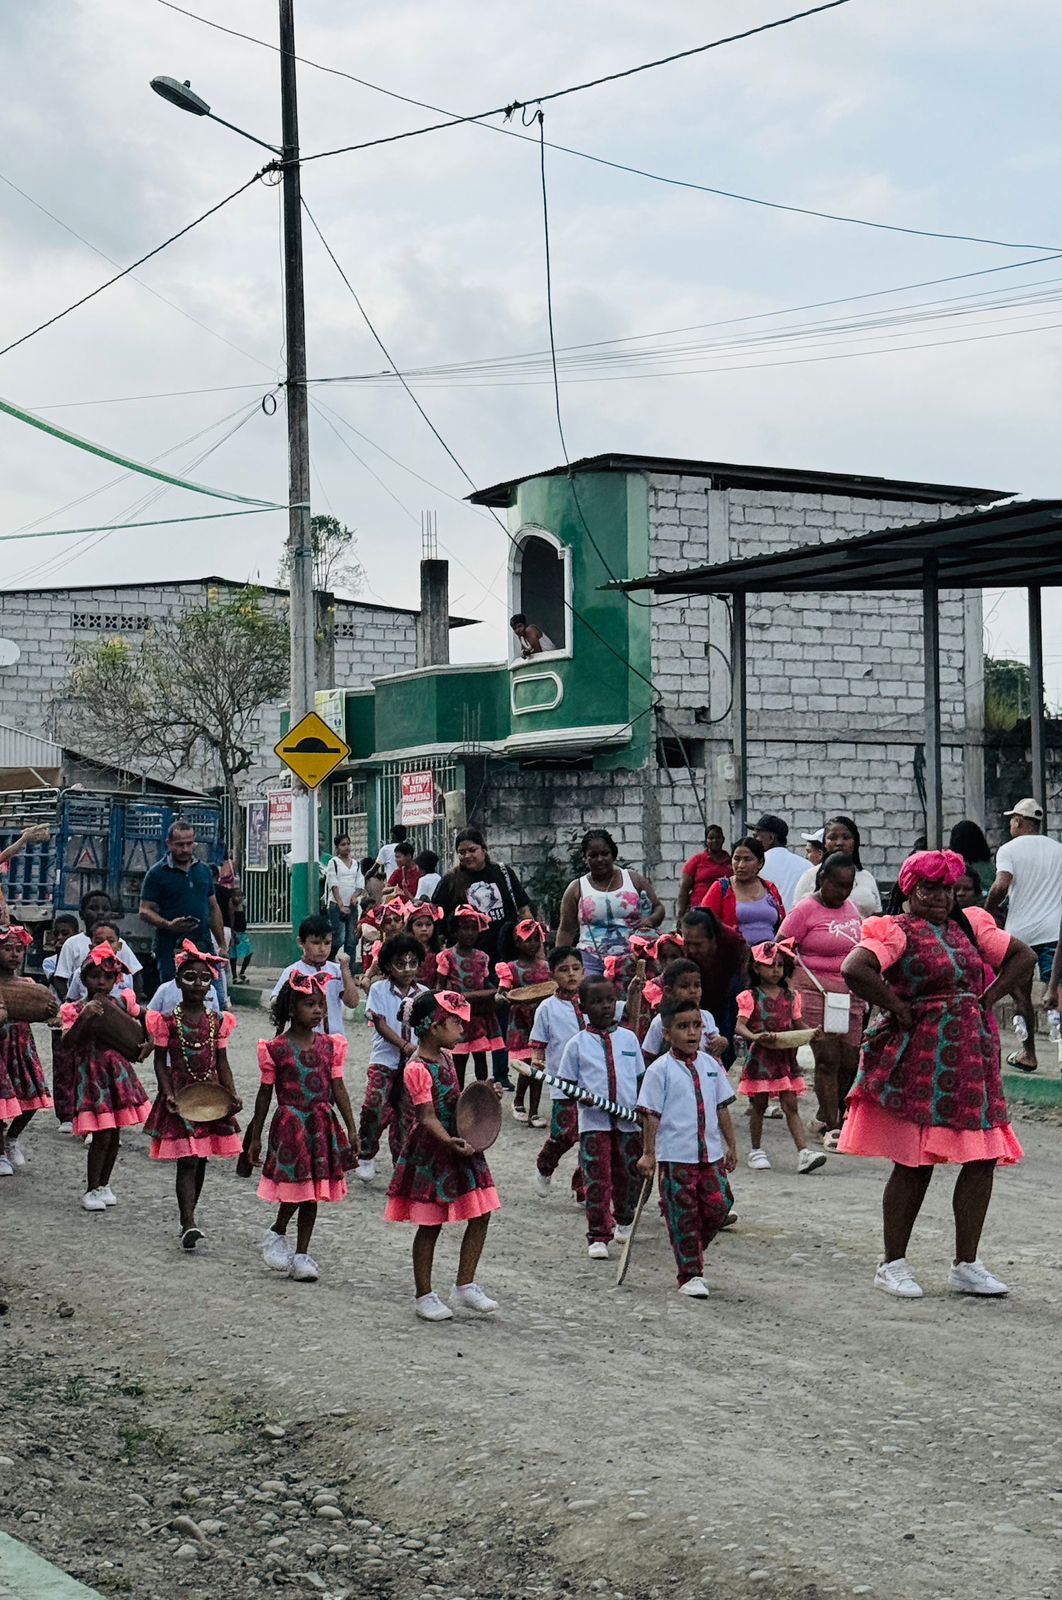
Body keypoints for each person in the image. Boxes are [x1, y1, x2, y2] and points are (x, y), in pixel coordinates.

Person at [839, 849, 1033, 1299]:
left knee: (982, 1157)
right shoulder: (893, 930)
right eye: (930, 889)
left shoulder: (970, 925)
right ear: (909, 891)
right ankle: (892, 1263)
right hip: (921, 1058)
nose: (942, 897)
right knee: (914, 1160)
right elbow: (855, 968)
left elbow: (1021, 957)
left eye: (947, 888)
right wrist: (897, 1006)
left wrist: (989, 997)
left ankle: (967, 1264)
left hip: (972, 1056)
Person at [385, 989, 502, 1323]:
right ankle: (424, 1294)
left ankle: (465, 1283)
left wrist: (485, 1093)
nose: (462, 1029)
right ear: (434, 1027)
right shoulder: (417, 1068)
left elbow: (457, 1099)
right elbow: (426, 1116)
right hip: (434, 1150)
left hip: (460, 1144)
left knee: (482, 1212)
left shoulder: (447, 1059)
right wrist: (449, 1141)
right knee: (430, 1223)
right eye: (455, 1023)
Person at [248, 972, 358, 1284]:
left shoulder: (330, 1046)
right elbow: (264, 1094)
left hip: (320, 1125)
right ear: (291, 1009)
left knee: (313, 1192)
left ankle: (302, 1254)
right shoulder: (275, 1048)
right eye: (310, 1004)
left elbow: (338, 1088)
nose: (318, 1010)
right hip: (291, 1127)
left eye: (321, 1004)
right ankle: (278, 1230)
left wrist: (351, 1128)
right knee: (295, 1188)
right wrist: (255, 1136)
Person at [637, 996, 738, 1298]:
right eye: (683, 1027)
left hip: (710, 1154)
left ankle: (690, 1247)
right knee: (684, 1214)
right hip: (676, 1156)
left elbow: (722, 1107)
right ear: (667, 1033)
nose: (692, 1033)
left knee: (720, 1205)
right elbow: (651, 1114)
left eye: (696, 1025)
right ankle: (690, 1274)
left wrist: (731, 1145)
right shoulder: (659, 1070)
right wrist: (649, 1153)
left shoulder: (711, 1065)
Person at [144, 944, 241, 1250]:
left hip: (210, 1095)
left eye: (204, 978)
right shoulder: (167, 1022)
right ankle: (188, 1221)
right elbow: (160, 1062)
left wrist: (231, 1094)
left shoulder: (218, 1021)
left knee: (200, 1159)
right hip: (181, 1095)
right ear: (177, 981)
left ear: (211, 983)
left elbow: (222, 1062)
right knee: (187, 1160)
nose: (198, 984)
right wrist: (168, 1093)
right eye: (190, 977)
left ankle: (190, 1214)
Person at [779, 853, 866, 1150]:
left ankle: (826, 1113)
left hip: (849, 995)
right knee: (828, 1058)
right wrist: (785, 988)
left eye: (848, 886)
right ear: (823, 880)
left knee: (850, 1060)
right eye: (838, 884)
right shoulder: (805, 910)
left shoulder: (852, 909)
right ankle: (833, 1125)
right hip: (815, 991)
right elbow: (782, 946)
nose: (843, 892)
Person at [558, 976, 644, 1261]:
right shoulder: (576, 1045)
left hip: (628, 1123)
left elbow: (640, 1079)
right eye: (596, 1002)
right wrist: (580, 1097)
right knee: (597, 1178)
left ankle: (624, 1221)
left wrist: (643, 1111)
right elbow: (566, 1085)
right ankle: (598, 1234)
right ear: (583, 1008)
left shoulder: (629, 1039)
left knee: (629, 1174)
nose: (605, 1006)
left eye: (609, 1000)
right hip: (594, 1124)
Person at [59, 944, 148, 1211]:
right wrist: (84, 1018)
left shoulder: (121, 1003)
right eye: (95, 976)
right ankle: (91, 1188)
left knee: (114, 1133)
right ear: (84, 978)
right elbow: (67, 1043)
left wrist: (149, 1044)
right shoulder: (75, 1009)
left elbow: (150, 1019)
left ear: (116, 980)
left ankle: (104, 1185)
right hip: (92, 1076)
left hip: (117, 1075)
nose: (101, 982)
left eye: (108, 977)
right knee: (102, 1135)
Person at [735, 940, 826, 1175]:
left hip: (784, 1058)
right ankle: (756, 1150)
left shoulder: (791, 996)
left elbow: (798, 1023)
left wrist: (811, 1032)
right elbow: (740, 1026)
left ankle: (803, 1152)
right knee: (759, 1105)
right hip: (761, 1058)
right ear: (756, 968)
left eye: (779, 965)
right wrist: (755, 1037)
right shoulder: (750, 996)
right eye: (770, 965)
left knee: (790, 1104)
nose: (775, 970)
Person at [985, 798, 1062, 1072]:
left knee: (1020, 993)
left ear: (1018, 821)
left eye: (1012, 820)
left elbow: (1000, 885)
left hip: (1020, 933)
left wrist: (988, 911)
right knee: (1058, 991)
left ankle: (1028, 1053)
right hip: (1054, 930)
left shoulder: (1009, 849)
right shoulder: (1058, 849)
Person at [356, 934, 428, 1183]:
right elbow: (379, 1023)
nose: (407, 969)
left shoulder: (424, 993)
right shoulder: (378, 990)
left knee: (407, 1114)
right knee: (375, 1106)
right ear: (388, 965)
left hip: (414, 1064)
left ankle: (402, 1161)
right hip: (384, 1060)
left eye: (413, 963)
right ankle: (366, 1152)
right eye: (400, 964)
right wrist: (403, 1045)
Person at [556, 828, 665, 979]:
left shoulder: (633, 880)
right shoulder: (577, 888)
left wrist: (650, 920)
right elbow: (566, 929)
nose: (599, 859)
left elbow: (658, 908)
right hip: (591, 962)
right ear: (585, 858)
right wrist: (559, 963)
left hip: (633, 960)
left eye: (604, 853)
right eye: (593, 855)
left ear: (613, 854)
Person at [531, 946, 589, 1201]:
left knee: (591, 1138)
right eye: (564, 970)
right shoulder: (547, 1008)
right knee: (564, 1134)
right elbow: (539, 1043)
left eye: (576, 968)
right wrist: (537, 1061)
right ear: (552, 974)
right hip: (563, 1082)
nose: (571, 974)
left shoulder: (594, 1000)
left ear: (584, 971)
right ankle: (544, 1167)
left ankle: (584, 1189)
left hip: (593, 1082)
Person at [0, 926, 58, 1175]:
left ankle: (11, 1138)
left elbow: (45, 1012)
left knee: (31, 1099)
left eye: (19, 949)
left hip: (20, 1047)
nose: (14, 954)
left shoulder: (30, 986)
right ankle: (0, 1154)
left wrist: (51, 1012)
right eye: (7, 948)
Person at [432, 828, 533, 971]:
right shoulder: (450, 881)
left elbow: (524, 910)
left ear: (484, 849)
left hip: (506, 956)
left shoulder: (503, 873)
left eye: (472, 850)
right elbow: (436, 917)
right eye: (462, 852)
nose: (467, 856)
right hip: (466, 962)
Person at [139, 821, 226, 983]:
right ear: (169, 843)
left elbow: (213, 908)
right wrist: (168, 924)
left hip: (203, 946)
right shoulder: (157, 873)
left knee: (214, 992)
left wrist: (222, 945)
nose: (185, 849)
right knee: (174, 991)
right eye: (179, 845)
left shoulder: (204, 871)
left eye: (189, 843)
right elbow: (144, 910)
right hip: (170, 948)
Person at [435, 906, 504, 1088]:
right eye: (465, 928)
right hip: (457, 1016)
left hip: (478, 1014)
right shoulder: (447, 956)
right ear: (455, 931)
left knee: (480, 1057)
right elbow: (439, 986)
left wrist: (499, 991)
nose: (470, 933)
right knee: (459, 1058)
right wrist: (440, 1010)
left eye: (474, 928)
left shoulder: (482, 957)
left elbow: (486, 983)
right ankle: (458, 1096)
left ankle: (481, 1093)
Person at [495, 920, 551, 1126]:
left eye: (536, 939)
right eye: (527, 940)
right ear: (517, 943)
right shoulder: (510, 968)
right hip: (520, 1023)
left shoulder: (546, 967)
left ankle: (534, 1112)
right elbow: (500, 993)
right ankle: (519, 1100)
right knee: (526, 1065)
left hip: (541, 1022)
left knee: (538, 1066)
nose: (533, 944)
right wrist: (504, 997)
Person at [272, 914, 360, 1036]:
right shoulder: (293, 971)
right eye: (316, 943)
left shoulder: (336, 971)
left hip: (334, 1038)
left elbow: (352, 1003)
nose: (322, 949)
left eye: (327, 943)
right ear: (301, 942)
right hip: (304, 1039)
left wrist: (345, 970)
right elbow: (275, 1002)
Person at [679, 908, 748, 1054]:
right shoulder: (684, 952)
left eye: (698, 944)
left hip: (729, 995)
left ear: (713, 939)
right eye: (687, 943)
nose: (692, 950)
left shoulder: (732, 943)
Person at [53, 892, 141, 1003]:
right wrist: (70, 1006)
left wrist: (134, 1004)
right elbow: (60, 978)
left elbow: (136, 974)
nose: (100, 913)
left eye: (106, 909)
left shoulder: (119, 943)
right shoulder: (72, 944)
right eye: (93, 908)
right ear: (81, 914)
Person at [640, 959, 727, 1065]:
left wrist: (722, 1042)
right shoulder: (661, 1021)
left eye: (697, 985)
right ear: (669, 991)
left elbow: (716, 1039)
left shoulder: (707, 1017)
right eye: (684, 986)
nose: (693, 991)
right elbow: (648, 1056)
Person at [702, 837, 785, 946]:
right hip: (735, 953)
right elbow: (703, 923)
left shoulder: (770, 889)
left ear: (760, 863)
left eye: (747, 859)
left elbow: (783, 926)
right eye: (737, 859)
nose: (741, 865)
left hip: (768, 954)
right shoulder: (721, 888)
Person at [791, 816, 881, 915]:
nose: (839, 843)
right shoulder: (810, 876)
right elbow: (797, 916)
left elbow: (878, 916)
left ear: (855, 842)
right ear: (824, 843)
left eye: (846, 838)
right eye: (833, 838)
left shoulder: (866, 877)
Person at [751, 815, 807, 911]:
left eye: (756, 836)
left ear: (771, 838)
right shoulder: (806, 865)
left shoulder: (755, 865)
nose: (753, 841)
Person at [323, 834, 364, 962]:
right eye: (343, 844)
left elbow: (360, 884)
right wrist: (341, 905)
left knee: (351, 940)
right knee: (339, 938)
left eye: (348, 844)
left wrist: (354, 897)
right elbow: (333, 884)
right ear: (337, 848)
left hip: (351, 907)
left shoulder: (356, 864)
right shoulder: (334, 862)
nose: (346, 847)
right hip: (336, 906)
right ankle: (328, 960)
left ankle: (349, 971)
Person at [676, 827, 732, 916]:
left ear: (723, 839)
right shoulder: (697, 860)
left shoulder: (731, 861)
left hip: (725, 910)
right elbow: (684, 889)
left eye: (718, 837)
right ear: (706, 841)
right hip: (700, 910)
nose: (715, 841)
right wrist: (680, 913)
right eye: (711, 838)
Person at [407, 902, 444, 988]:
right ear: (411, 927)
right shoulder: (403, 951)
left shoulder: (441, 953)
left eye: (428, 924)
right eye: (419, 925)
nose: (424, 929)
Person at [229, 887, 253, 982]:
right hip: (235, 933)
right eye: (237, 896)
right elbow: (231, 921)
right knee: (233, 956)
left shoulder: (242, 906)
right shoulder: (231, 907)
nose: (239, 898)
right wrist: (233, 935)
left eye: (241, 896)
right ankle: (234, 976)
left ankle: (242, 972)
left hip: (243, 934)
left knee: (249, 953)